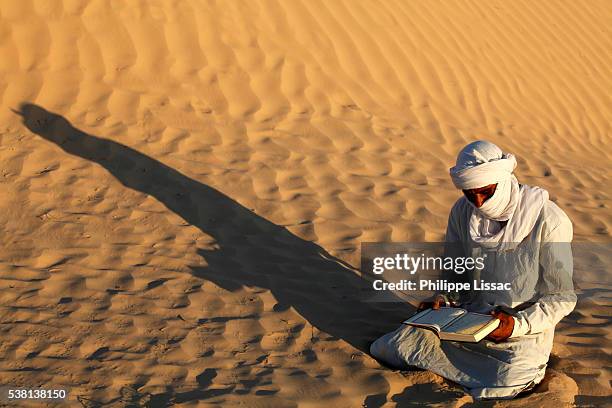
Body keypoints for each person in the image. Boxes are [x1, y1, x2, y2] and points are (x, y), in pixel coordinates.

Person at [369, 140, 576, 399]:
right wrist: (442, 300)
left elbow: (561, 298)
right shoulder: (462, 211)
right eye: (470, 193)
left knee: (506, 382)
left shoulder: (549, 220)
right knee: (391, 347)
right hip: (466, 323)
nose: (478, 202)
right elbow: (456, 273)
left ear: (503, 181)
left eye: (486, 192)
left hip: (519, 334)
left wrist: (515, 325)